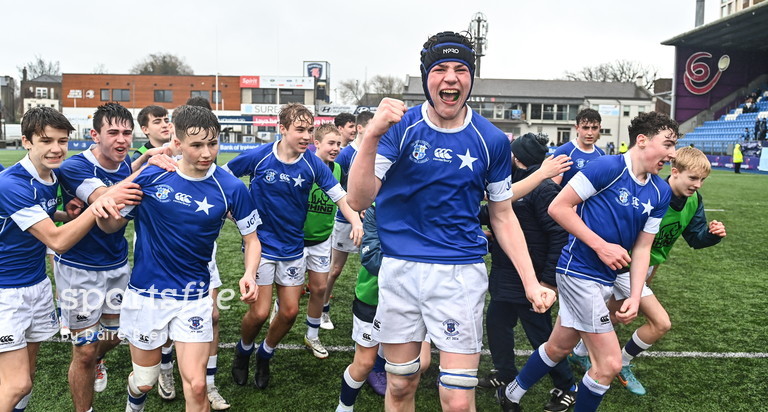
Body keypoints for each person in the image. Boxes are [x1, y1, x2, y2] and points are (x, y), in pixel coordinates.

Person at [346, 31, 556, 411]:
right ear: (426, 76)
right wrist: (372, 135)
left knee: (457, 400)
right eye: (440, 68)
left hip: (459, 275)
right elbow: (359, 199)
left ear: (470, 78)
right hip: (400, 271)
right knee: (400, 386)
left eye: (460, 69)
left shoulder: (491, 139)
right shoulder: (400, 128)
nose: (450, 77)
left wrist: (530, 281)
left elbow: (503, 214)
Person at [498, 111, 678, 412]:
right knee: (608, 364)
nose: (672, 154)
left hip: (605, 278)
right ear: (643, 140)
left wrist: (635, 296)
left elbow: (643, 248)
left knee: (558, 347)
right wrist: (601, 246)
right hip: (578, 271)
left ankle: (511, 394)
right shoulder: (607, 167)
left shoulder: (660, 191)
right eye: (668, 144)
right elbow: (559, 207)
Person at [94, 105, 261, 412]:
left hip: (194, 297)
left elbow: (251, 239)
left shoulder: (232, 188)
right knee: (144, 379)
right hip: (147, 295)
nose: (207, 152)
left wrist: (250, 272)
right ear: (178, 142)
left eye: (213, 143)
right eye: (197, 145)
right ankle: (135, 402)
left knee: (197, 386)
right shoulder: (154, 175)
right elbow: (111, 225)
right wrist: (105, 213)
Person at [0, 107, 138, 412]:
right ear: (26, 141)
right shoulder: (13, 183)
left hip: (36, 285)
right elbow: (57, 241)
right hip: (6, 291)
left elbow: (40, 218)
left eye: (62, 141)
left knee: (28, 376)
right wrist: (96, 206)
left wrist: (66, 213)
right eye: (46, 141)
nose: (56, 148)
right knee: (17, 383)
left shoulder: (49, 176)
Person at [569, 147, 727, 396]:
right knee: (661, 323)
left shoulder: (694, 200)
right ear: (675, 172)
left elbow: (695, 238)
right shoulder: (653, 194)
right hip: (625, 265)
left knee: (614, 311)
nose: (698, 185)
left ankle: (577, 354)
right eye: (693, 178)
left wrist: (711, 235)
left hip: (648, 265)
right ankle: (622, 363)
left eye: (702, 180)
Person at [228, 103, 361, 390]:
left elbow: (340, 196)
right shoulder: (260, 156)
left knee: (289, 312)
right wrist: (231, 210)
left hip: (293, 249)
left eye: (309, 130)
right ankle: (243, 349)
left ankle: (265, 353)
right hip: (261, 247)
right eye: (299, 129)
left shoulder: (312, 164)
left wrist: (355, 220)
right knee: (261, 312)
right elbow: (223, 178)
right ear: (283, 129)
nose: (305, 136)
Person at [477, 133, 576, 412]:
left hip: (530, 280)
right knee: (497, 324)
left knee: (543, 338)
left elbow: (560, 236)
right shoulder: (515, 185)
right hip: (505, 277)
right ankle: (505, 373)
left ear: (518, 159)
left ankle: (567, 386)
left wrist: (546, 281)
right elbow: (493, 212)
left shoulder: (543, 190)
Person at [55, 103, 135, 412]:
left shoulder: (126, 165)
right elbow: (108, 201)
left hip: (116, 266)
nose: (121, 140)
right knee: (84, 351)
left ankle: (99, 359)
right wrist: (147, 170)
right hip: (79, 269)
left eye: (127, 133)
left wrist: (142, 164)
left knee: (114, 337)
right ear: (95, 134)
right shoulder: (76, 166)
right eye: (113, 132)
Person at [335, 205, 433, 411]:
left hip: (411, 299)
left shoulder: (428, 205)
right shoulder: (377, 210)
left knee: (421, 364)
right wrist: (417, 262)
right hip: (373, 296)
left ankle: (384, 360)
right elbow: (371, 259)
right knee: (363, 364)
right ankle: (344, 406)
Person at [321, 111, 373, 330]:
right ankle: (323, 310)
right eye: (372, 126)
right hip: (345, 220)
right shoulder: (345, 155)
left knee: (372, 267)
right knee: (335, 270)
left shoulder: (377, 152)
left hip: (371, 221)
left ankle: (368, 311)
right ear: (361, 128)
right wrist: (354, 207)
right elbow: (336, 190)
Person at [297, 123, 344, 358]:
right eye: (331, 144)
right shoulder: (303, 165)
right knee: (293, 292)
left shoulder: (337, 169)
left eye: (339, 144)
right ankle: (278, 308)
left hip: (322, 239)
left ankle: (312, 335)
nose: (336, 148)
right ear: (317, 144)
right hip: (296, 239)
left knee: (319, 288)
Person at [552, 108, 605, 187]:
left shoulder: (601, 154)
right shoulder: (564, 152)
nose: (590, 133)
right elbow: (552, 188)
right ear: (577, 128)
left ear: (599, 128)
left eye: (594, 128)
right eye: (585, 128)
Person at [131, 105, 171, 171]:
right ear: (145, 129)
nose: (165, 125)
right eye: (157, 122)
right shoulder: (139, 156)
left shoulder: (181, 149)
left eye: (166, 121)